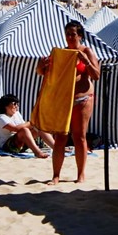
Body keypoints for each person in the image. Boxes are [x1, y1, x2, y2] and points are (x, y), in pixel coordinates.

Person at [33, 20, 100, 185]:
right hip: (64, 100)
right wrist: (40, 67)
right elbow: (43, 72)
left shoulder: (86, 51)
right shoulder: (60, 53)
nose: (70, 37)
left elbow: (96, 75)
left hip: (83, 98)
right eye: (68, 34)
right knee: (60, 137)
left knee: (80, 137)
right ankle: (56, 176)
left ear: (80, 36)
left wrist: (85, 61)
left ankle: (81, 175)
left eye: (73, 34)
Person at [0, 94, 51, 158]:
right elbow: (16, 129)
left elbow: (25, 126)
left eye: (17, 104)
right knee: (25, 130)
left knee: (39, 127)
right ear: (6, 106)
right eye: (14, 104)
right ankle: (38, 152)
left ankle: (55, 147)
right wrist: (32, 122)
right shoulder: (2, 117)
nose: (16, 106)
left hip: (22, 143)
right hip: (9, 146)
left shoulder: (17, 114)